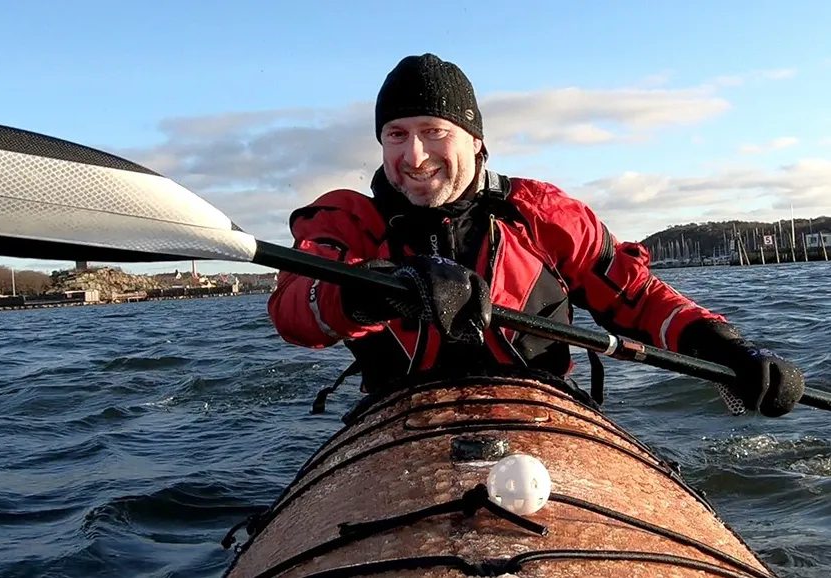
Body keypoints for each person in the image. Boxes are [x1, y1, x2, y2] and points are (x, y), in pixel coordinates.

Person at [267, 53, 805, 418]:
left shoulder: (540, 212)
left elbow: (636, 300)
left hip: (544, 409)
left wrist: (725, 348)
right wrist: (371, 289)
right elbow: (295, 311)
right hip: (399, 414)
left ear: (476, 142)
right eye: (396, 135)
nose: (414, 156)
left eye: (435, 132)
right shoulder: (347, 219)